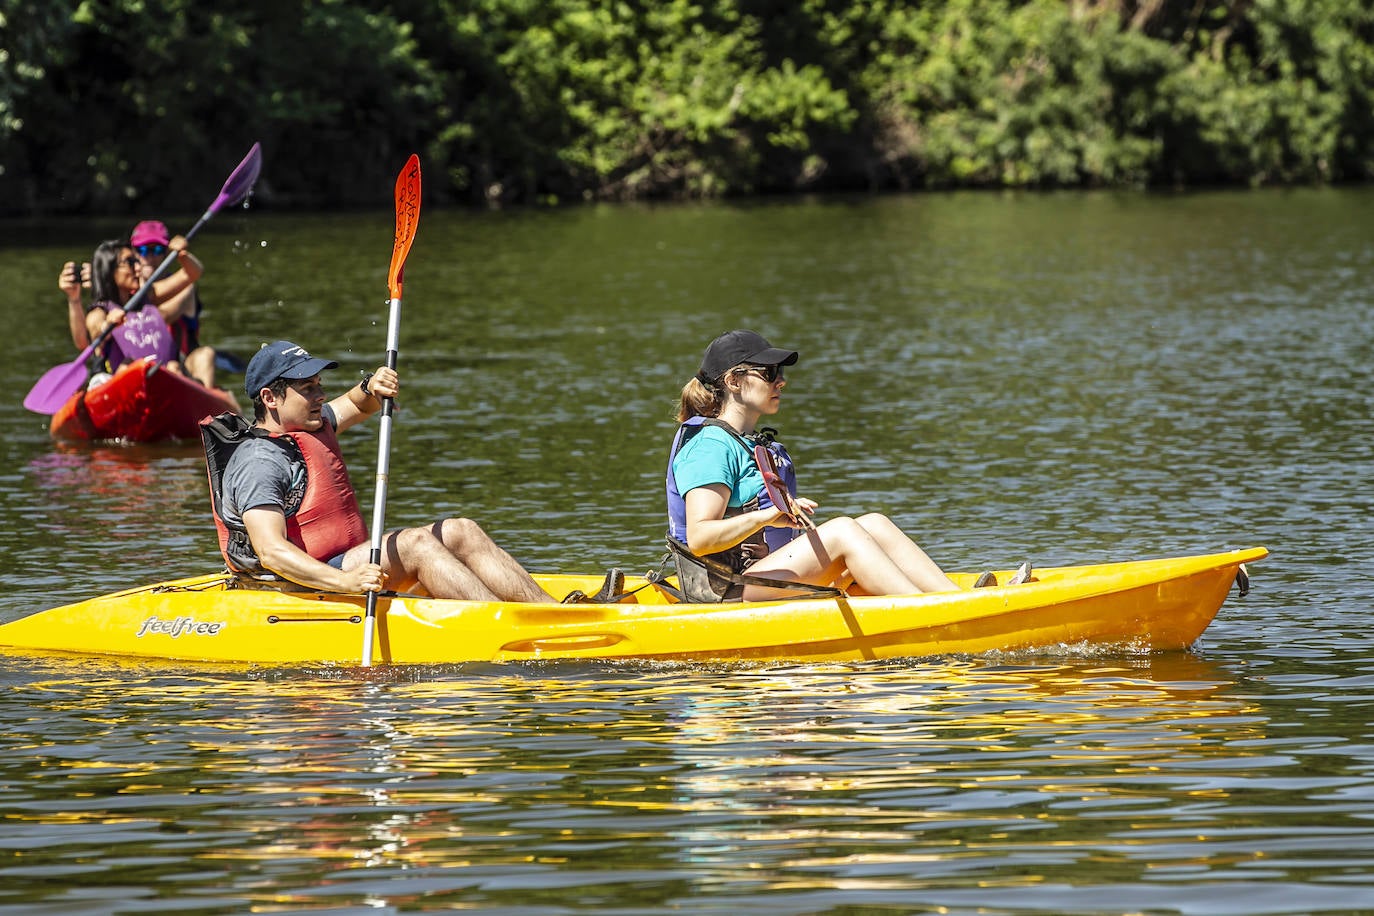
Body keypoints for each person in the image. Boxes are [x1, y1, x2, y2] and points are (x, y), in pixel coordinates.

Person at [202, 340, 603, 603]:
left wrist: (371, 385)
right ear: (270, 398)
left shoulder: (307, 423)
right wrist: (345, 583)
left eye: (320, 384)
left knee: (460, 529)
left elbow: (357, 405)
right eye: (307, 388)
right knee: (413, 544)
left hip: (342, 561)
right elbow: (271, 551)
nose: (320, 395)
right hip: (301, 584)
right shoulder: (258, 462)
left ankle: (552, 615)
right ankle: (504, 625)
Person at [665, 329, 1031, 601]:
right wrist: (765, 517)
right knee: (841, 530)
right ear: (733, 381)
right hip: (725, 591)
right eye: (770, 372)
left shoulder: (746, 441)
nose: (781, 381)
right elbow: (699, 538)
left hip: (756, 578)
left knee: (873, 523)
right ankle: (926, 612)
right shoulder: (709, 448)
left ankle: (953, 600)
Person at [58, 239, 197, 380]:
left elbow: (193, 273)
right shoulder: (100, 312)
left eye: (136, 261)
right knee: (128, 365)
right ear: (110, 270)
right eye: (130, 263)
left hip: (164, 379)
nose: (138, 268)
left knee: (174, 367)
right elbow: (85, 341)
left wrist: (182, 256)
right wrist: (107, 324)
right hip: (126, 385)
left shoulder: (147, 295)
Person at [130, 220, 219, 388]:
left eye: (157, 250)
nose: (149, 257)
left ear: (165, 254)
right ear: (133, 254)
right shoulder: (125, 288)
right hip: (139, 366)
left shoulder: (185, 287)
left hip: (181, 365)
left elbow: (159, 319)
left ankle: (207, 407)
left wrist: (182, 255)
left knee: (205, 354)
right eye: (142, 250)